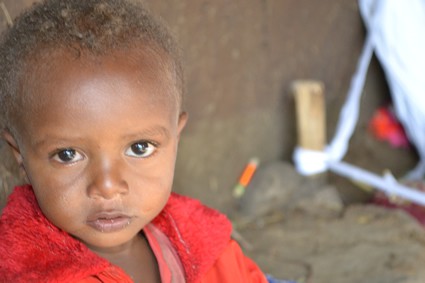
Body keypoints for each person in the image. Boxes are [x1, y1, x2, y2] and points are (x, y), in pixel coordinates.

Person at [0, 0, 269, 282]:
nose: (107, 186)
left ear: (175, 140)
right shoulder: (22, 272)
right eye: (68, 154)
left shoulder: (207, 249)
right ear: (21, 156)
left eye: (139, 148)